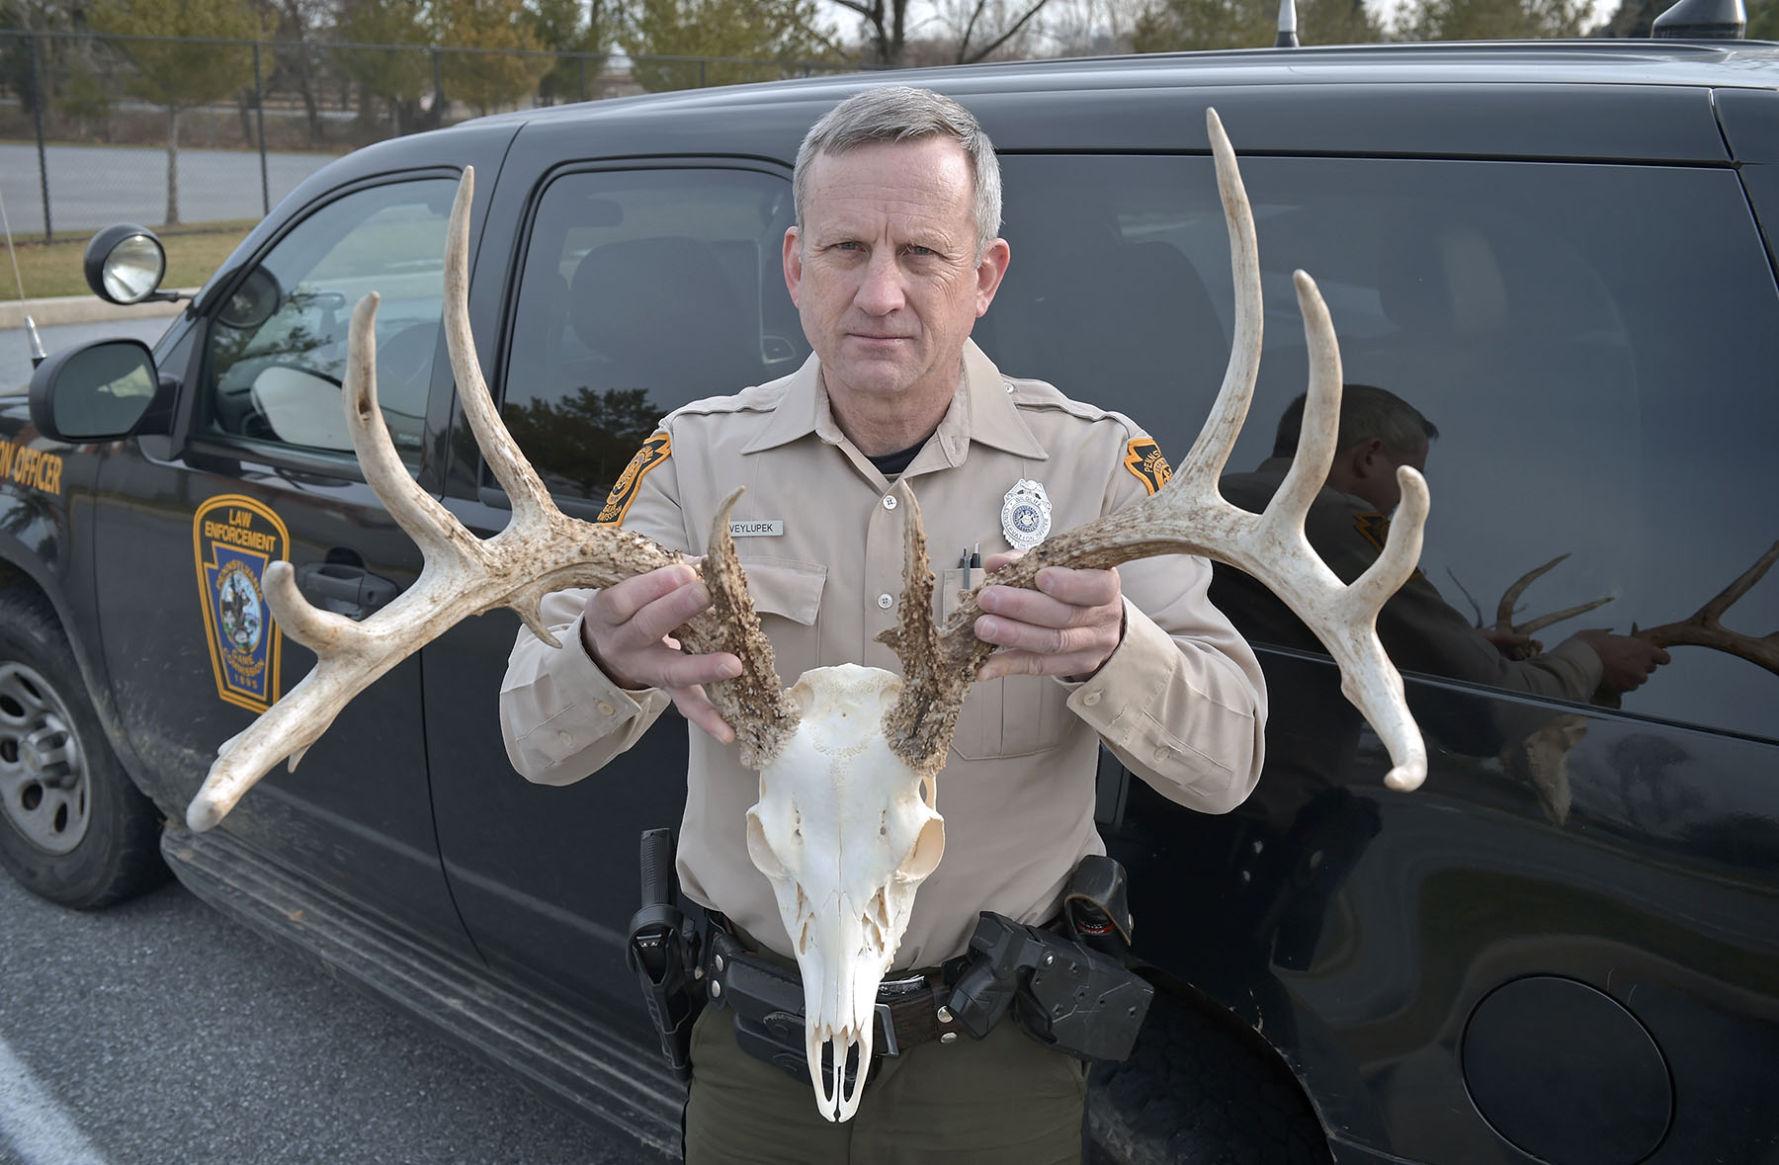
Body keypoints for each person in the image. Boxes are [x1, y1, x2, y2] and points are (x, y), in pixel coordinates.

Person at [498, 86, 1267, 1163]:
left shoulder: (1102, 471)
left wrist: (1117, 651)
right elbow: (535, 739)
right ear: (794, 265)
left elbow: (1226, 761)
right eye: (847, 247)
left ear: (985, 274)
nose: (881, 293)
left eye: (923, 253)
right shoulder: (692, 462)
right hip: (757, 1042)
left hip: (993, 1052)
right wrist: (599, 659)